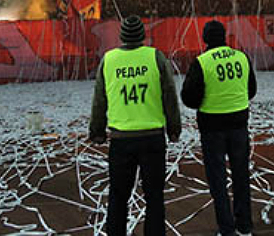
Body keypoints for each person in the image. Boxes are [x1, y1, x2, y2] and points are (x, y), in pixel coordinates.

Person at [89, 15, 182, 236]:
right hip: (152, 138)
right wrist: (174, 128)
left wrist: (97, 131)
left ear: (121, 37)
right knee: (154, 198)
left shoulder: (109, 60)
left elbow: (99, 99)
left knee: (118, 197)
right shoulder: (155, 57)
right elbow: (169, 95)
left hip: (121, 139)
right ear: (143, 36)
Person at [181, 20, 257, 236]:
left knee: (218, 179)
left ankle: (226, 228)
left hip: (212, 127)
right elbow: (251, 89)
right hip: (239, 124)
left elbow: (189, 97)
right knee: (241, 175)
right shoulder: (241, 57)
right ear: (224, 37)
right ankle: (244, 225)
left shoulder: (202, 62)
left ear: (205, 38)